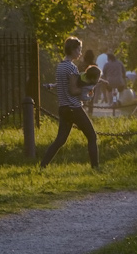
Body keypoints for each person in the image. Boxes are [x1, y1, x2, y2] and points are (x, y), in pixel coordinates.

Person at [41, 35, 100, 169]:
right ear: (73, 50)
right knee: (92, 136)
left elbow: (64, 86)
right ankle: (95, 167)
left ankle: (43, 165)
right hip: (74, 107)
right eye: (79, 50)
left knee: (60, 140)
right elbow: (73, 90)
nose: (80, 53)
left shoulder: (60, 67)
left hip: (63, 108)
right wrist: (88, 88)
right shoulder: (71, 68)